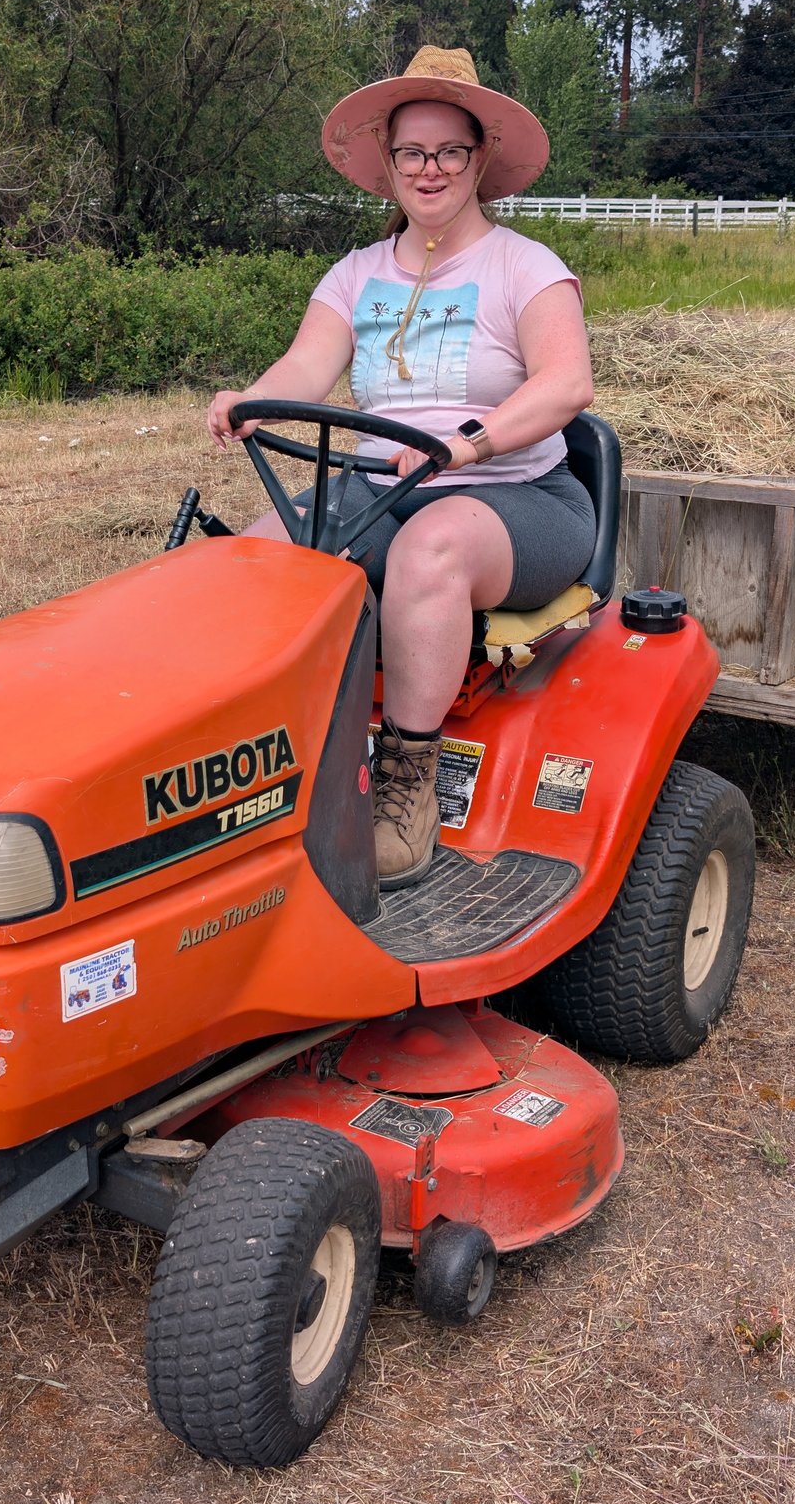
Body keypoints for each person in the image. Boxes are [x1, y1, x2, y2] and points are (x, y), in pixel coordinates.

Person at [205, 47, 595, 888]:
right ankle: (269, 771)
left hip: (514, 496)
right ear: (389, 164)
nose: (430, 169)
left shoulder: (525, 269)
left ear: (478, 159)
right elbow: (305, 369)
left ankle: (406, 789)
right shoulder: (354, 276)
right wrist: (253, 400)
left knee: (432, 551)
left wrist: (477, 440)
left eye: (448, 151)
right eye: (412, 153)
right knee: (251, 558)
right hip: (386, 489)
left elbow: (568, 383)